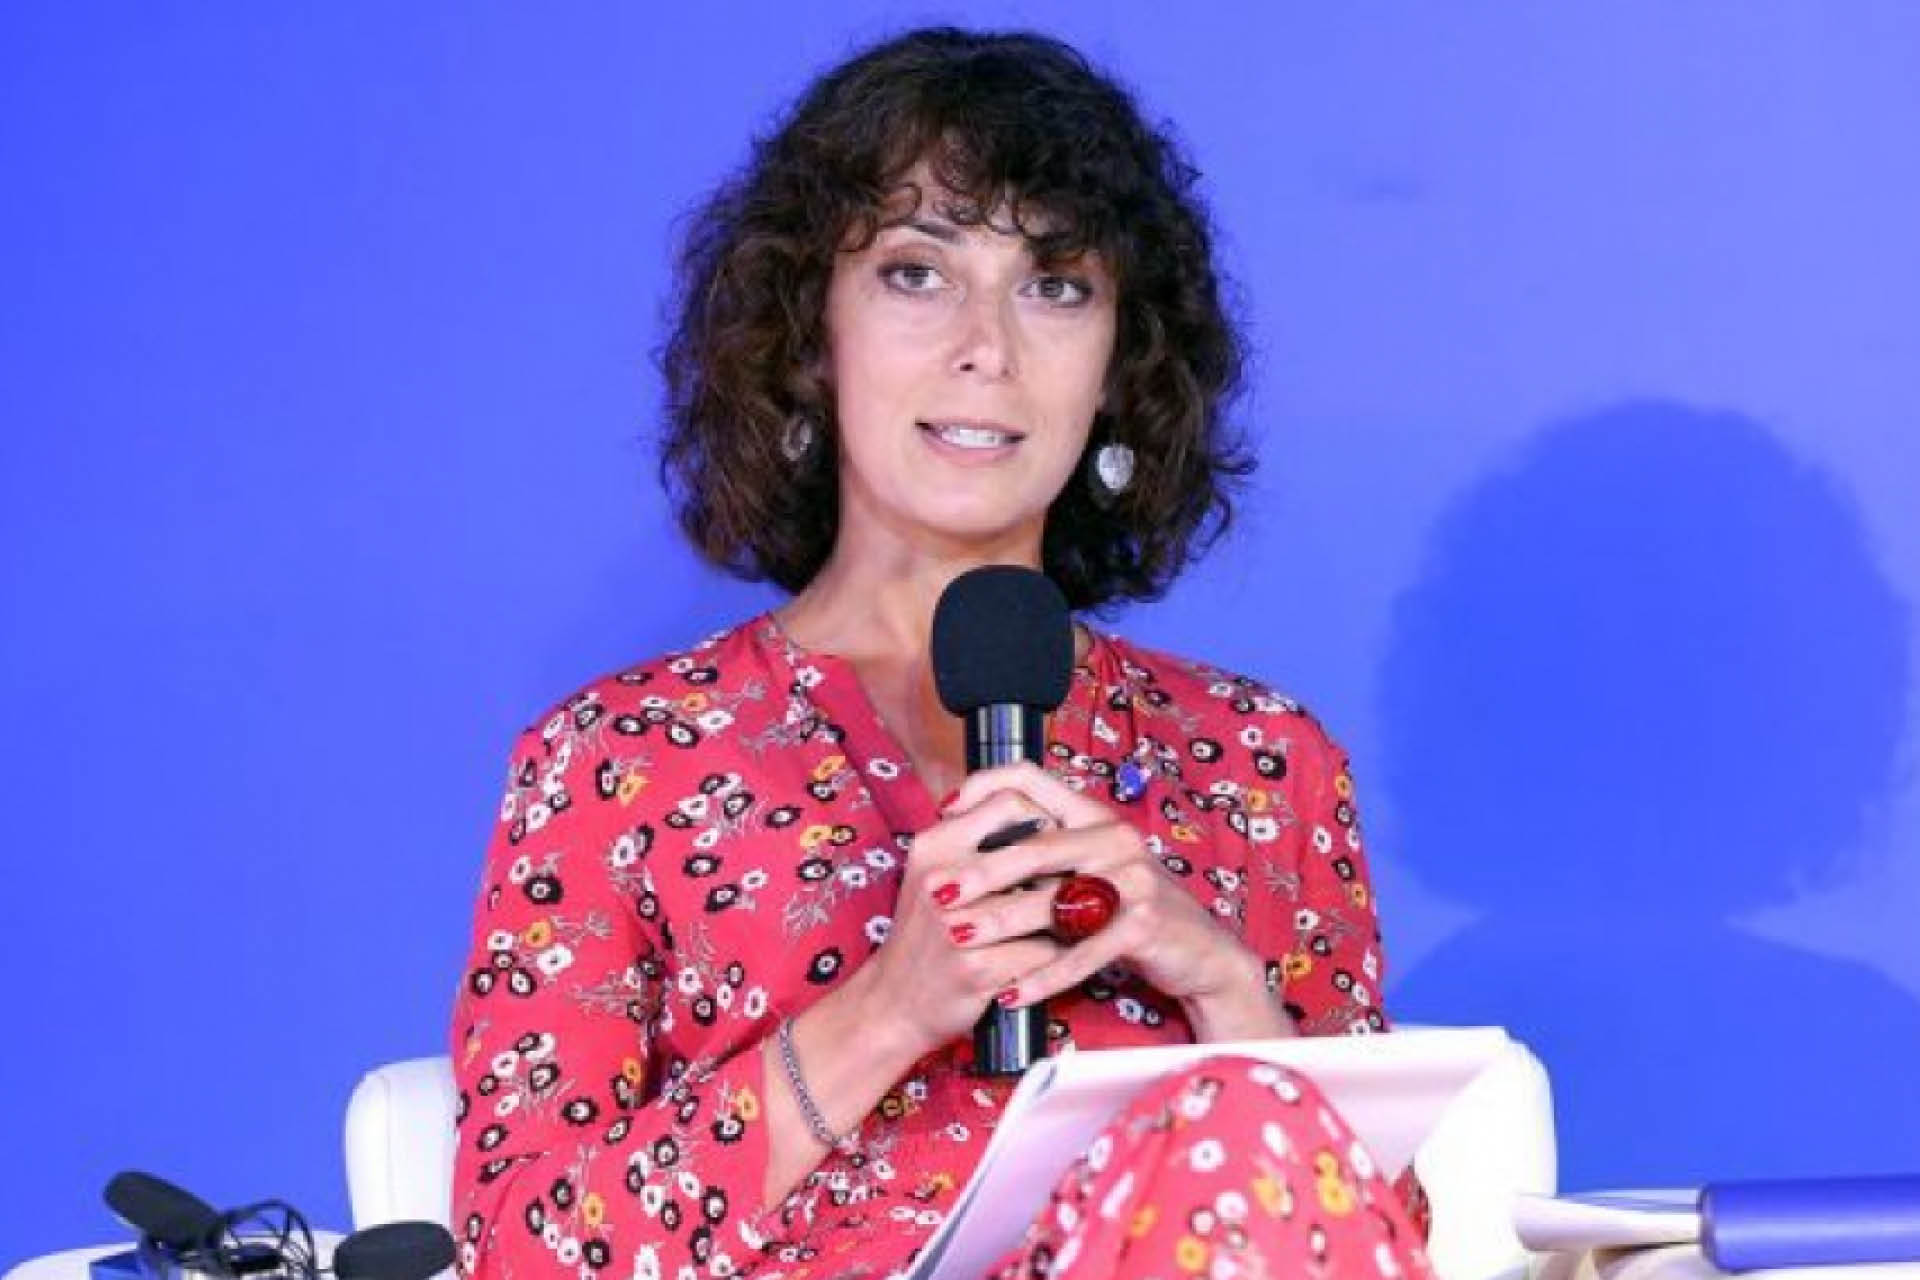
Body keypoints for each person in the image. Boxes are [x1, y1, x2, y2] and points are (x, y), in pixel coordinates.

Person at [451, 27, 1429, 1280]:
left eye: (1056, 284)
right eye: (918, 273)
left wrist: (1227, 991)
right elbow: (519, 1253)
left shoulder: (1262, 762)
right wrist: (890, 1008)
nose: (989, 347)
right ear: (810, 340)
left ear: (1120, 374)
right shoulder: (615, 765)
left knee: (1239, 1131)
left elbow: (1391, 1246)